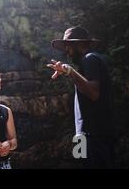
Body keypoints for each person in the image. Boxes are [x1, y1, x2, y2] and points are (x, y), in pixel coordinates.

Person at [47, 26, 115, 168]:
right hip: (83, 136)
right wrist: (69, 71)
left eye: (68, 46)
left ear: (78, 44)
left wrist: (70, 72)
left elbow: (94, 93)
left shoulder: (90, 59)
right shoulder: (87, 63)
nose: (66, 50)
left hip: (94, 135)